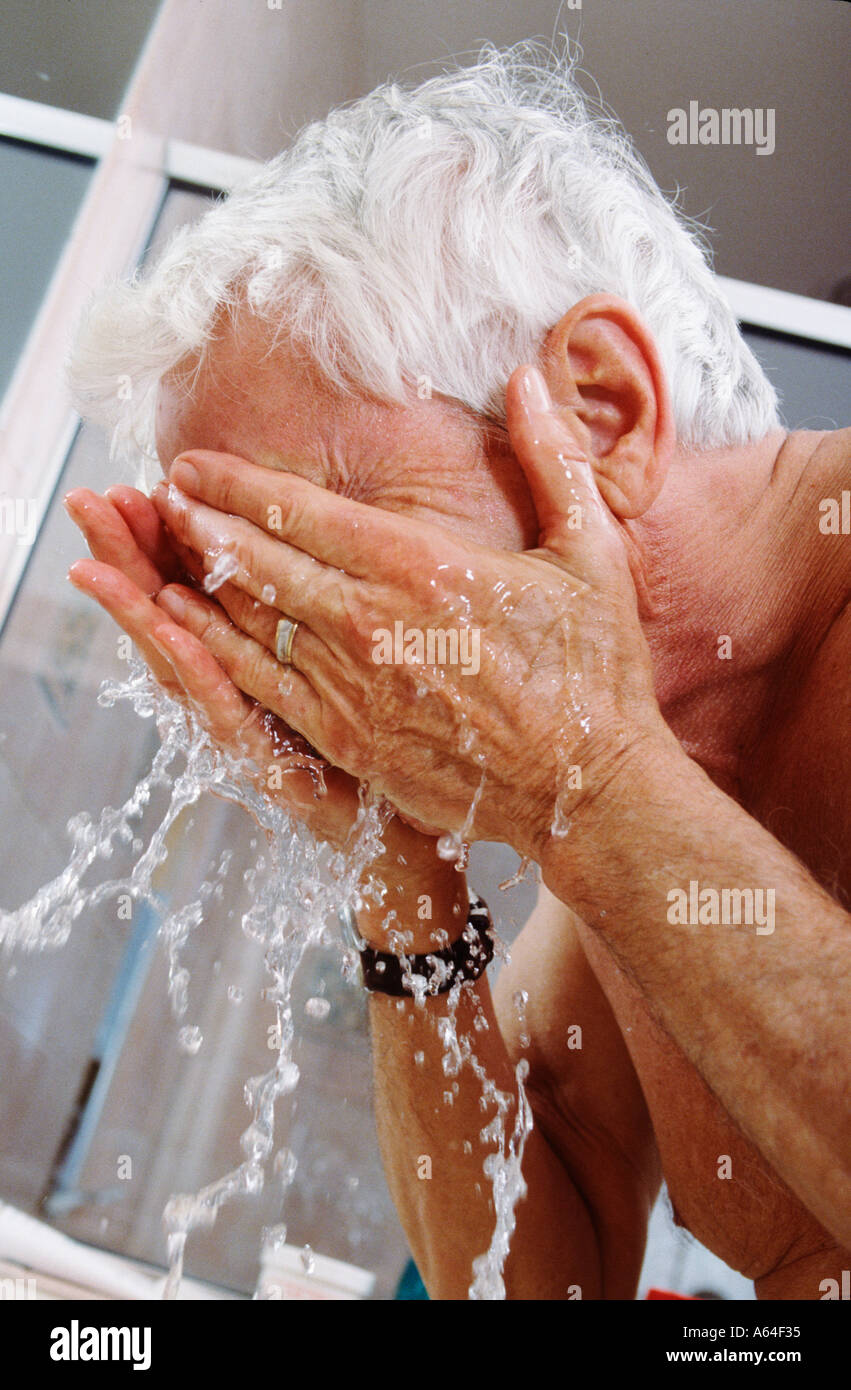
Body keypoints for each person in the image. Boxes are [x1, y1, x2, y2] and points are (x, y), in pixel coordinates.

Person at [65, 46, 850, 1299]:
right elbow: (535, 1280)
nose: (285, 635)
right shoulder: (638, 776)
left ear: (594, 416)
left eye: (311, 538)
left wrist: (587, 784)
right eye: (238, 575)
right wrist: (399, 866)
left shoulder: (608, 776)